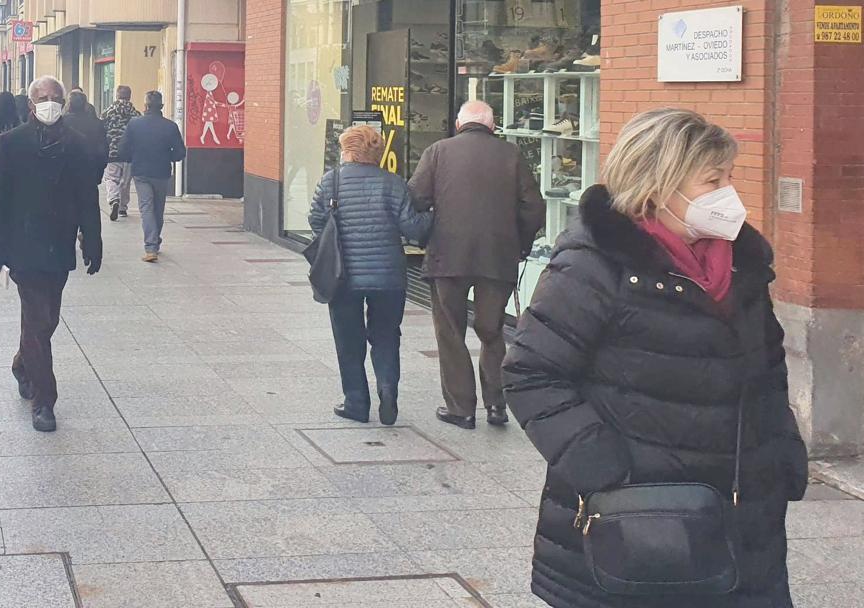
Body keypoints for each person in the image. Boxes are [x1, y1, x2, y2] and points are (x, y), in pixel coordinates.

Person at [503, 109, 809, 608]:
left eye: (728, 177)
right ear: (658, 183)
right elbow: (531, 373)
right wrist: (606, 471)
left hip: (746, 518)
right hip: (638, 522)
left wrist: (782, 450)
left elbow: (769, 370)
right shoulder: (593, 266)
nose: (728, 193)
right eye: (713, 180)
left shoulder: (745, 266)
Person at [408, 100, 545, 429]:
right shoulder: (511, 154)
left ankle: (461, 408)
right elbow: (533, 206)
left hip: (447, 256)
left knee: (451, 331)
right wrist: (520, 244)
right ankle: (496, 406)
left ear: (458, 124)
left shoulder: (438, 151)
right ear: (492, 126)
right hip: (497, 257)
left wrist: (426, 232)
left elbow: (415, 197)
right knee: (492, 331)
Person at [0, 75, 102, 433]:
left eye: (55, 97)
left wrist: (93, 241)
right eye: (42, 97)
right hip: (24, 246)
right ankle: (44, 401)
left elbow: (88, 198)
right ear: (31, 104)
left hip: (59, 245)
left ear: (63, 103)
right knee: (38, 320)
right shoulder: (11, 143)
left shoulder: (78, 145)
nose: (49, 102)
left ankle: (23, 364)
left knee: (46, 319)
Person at [309, 126, 433, 424]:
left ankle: (356, 402)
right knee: (387, 334)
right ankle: (388, 389)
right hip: (389, 276)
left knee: (348, 340)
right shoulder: (394, 184)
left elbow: (315, 219)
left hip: (343, 276)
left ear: (348, 151)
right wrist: (433, 214)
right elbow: (413, 229)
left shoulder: (332, 181)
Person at [118, 90, 185, 262]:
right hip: (161, 173)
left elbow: (123, 149)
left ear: (146, 106)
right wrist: (167, 157)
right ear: (161, 106)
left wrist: (131, 158)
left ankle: (151, 246)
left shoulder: (134, 124)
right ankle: (154, 242)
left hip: (140, 172)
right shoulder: (170, 126)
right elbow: (180, 152)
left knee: (146, 208)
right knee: (157, 209)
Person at [100, 85, 141, 221]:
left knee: (111, 178)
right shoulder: (136, 114)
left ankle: (114, 200)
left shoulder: (107, 112)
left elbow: (101, 130)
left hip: (112, 152)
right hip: (129, 153)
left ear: (116, 96)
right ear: (129, 96)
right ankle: (123, 208)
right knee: (125, 182)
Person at [63, 90, 108, 185]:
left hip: (66, 175)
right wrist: (98, 174)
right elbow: (103, 151)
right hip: (90, 173)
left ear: (69, 104)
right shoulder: (97, 123)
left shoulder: (62, 122)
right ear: (85, 104)